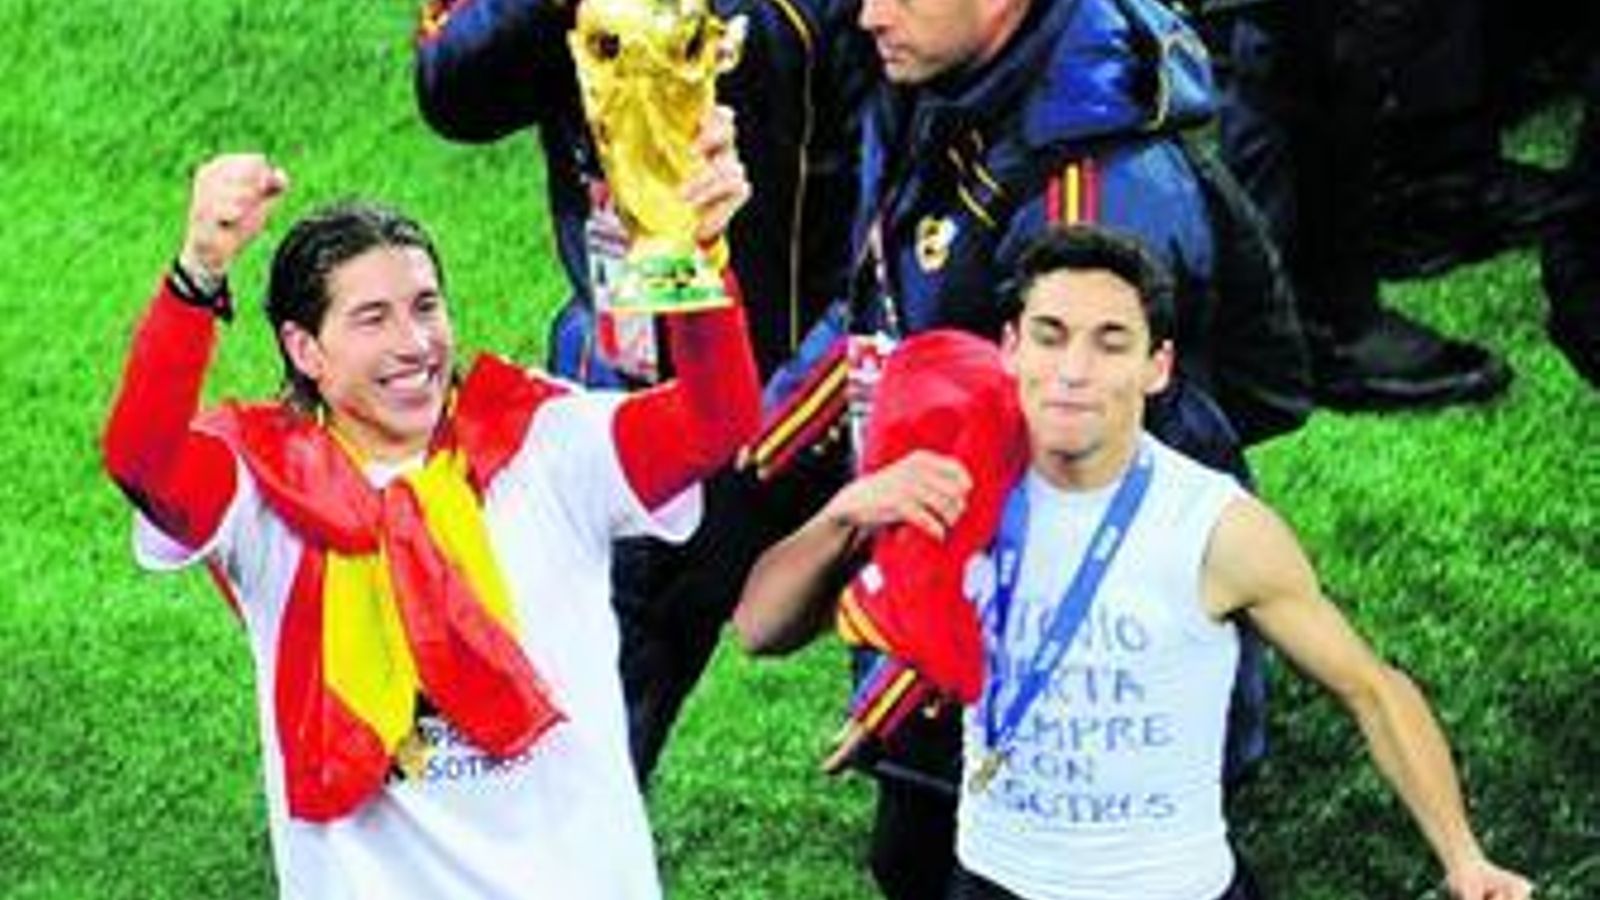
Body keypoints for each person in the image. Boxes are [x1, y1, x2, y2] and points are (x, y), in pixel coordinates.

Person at [735, 224, 1534, 900]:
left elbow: (1372, 688)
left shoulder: (1215, 528)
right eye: (1050, 336)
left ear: (1158, 366)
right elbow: (759, 632)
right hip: (990, 878)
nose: (1074, 371)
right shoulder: (948, 481)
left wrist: (1465, 859)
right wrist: (844, 515)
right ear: (1010, 348)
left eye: (1110, 342)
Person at [100, 114, 758, 898]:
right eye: (372, 319)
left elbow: (714, 423)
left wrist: (696, 253)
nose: (415, 343)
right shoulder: (263, 489)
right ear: (304, 349)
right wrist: (198, 272)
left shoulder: (543, 440)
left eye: (425, 306)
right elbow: (144, 460)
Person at [769, 0, 1304, 894]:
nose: (866, 13)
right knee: (912, 858)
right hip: (958, 624)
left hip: (1085, 677)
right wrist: (753, 442)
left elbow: (1093, 501)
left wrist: (908, 676)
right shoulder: (929, 81)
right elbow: (885, 305)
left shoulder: (1099, 196)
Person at [414, 0, 873, 783]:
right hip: (641, 381)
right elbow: (454, 92)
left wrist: (784, 419)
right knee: (586, 714)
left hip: (832, 402)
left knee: (915, 768)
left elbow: (895, 204)